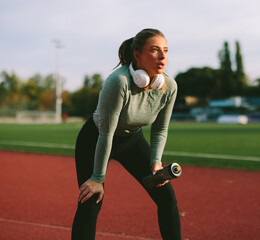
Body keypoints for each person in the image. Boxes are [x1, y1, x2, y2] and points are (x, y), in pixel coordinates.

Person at [71, 28, 181, 240]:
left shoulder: (169, 86)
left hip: (132, 140)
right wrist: (97, 178)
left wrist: (156, 163)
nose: (163, 56)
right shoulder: (118, 81)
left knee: (165, 195)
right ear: (137, 54)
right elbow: (106, 132)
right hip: (97, 138)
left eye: (165, 50)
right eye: (154, 50)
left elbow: (160, 129)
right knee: (91, 200)